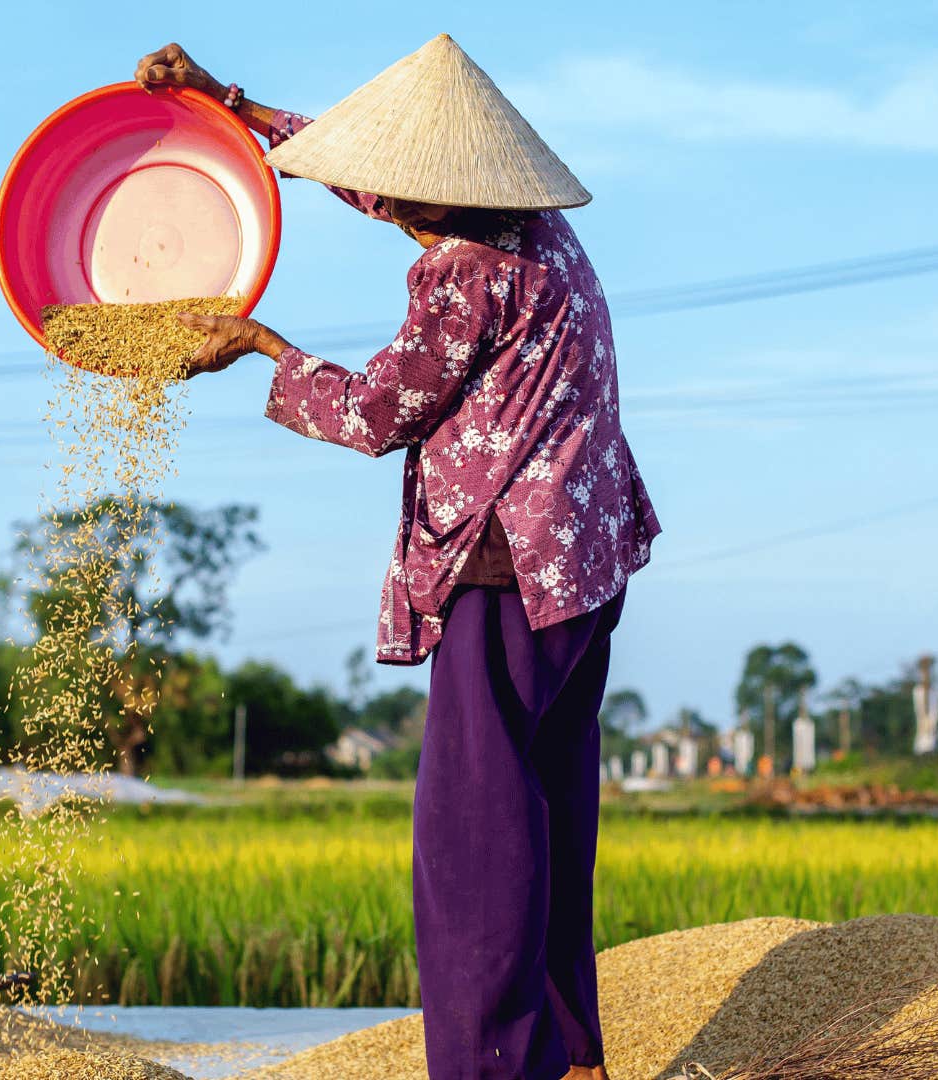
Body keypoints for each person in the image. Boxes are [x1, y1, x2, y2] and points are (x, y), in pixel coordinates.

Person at [134, 35, 660, 1080]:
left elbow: (378, 412)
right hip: (583, 564)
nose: (383, 200)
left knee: (474, 836)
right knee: (548, 809)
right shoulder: (538, 230)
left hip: (505, 569)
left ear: (431, 196)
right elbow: (374, 186)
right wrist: (230, 105)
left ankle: (491, 1065)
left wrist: (260, 348)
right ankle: (569, 1056)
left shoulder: (461, 276)